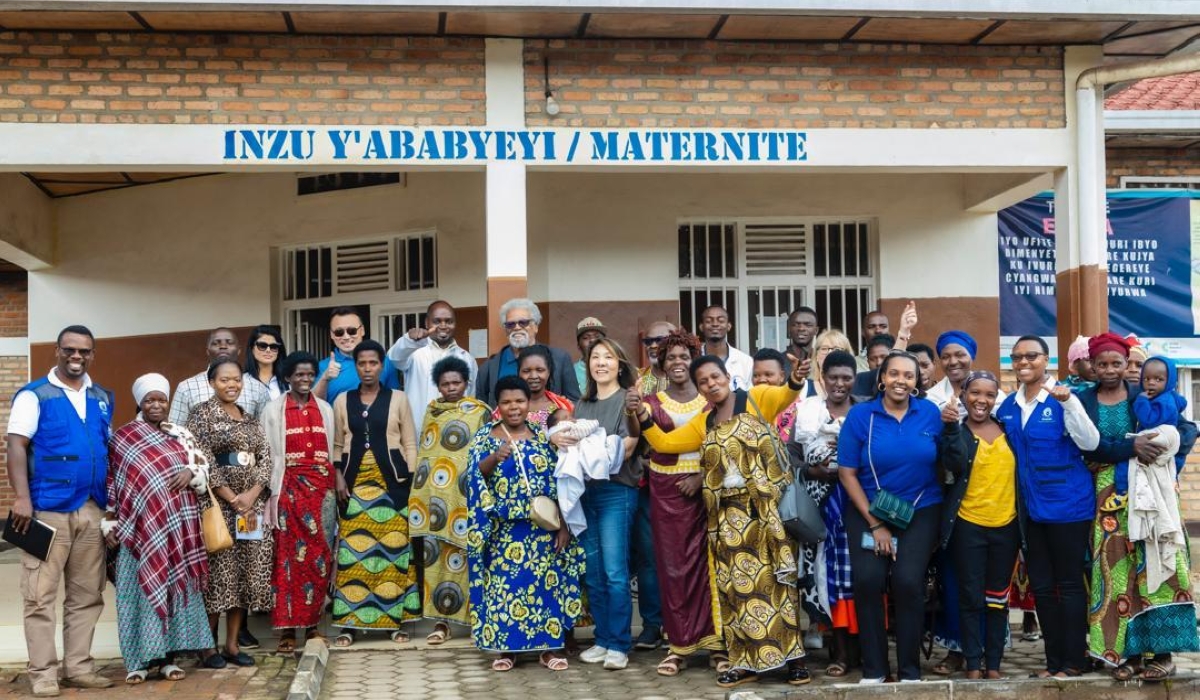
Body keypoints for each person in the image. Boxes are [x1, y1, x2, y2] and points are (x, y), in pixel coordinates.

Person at [633, 352, 812, 688]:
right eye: (703, 382)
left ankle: (794, 660)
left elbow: (785, 394)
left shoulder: (755, 398)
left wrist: (797, 378)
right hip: (727, 520)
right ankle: (744, 661)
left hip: (765, 515)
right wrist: (642, 414)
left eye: (715, 377)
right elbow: (666, 443)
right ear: (699, 389)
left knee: (776, 586)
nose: (711, 384)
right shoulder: (706, 421)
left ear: (727, 376)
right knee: (737, 591)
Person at [1075, 334, 1199, 681]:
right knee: (1115, 570)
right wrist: (1129, 448)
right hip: (1107, 499)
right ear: (1092, 366)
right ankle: (1125, 655)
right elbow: (1085, 447)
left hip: (1152, 496)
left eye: (1118, 363)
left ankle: (1163, 653)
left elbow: (1184, 431)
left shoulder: (1142, 394)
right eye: (1103, 364)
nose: (1111, 370)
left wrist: (1165, 452)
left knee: (1159, 566)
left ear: (1128, 363)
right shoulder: (1084, 401)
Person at [7, 325, 115, 696]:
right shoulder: (35, 395)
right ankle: (43, 674)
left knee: (87, 594)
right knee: (40, 595)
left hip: (91, 508)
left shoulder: (101, 397)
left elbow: (105, 448)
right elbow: (17, 445)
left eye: (84, 351)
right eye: (69, 349)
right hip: (45, 509)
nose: (76, 357)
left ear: (92, 354)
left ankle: (79, 667)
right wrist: (21, 497)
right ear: (57, 350)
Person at [995, 335, 1099, 680]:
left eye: (1031, 356)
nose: (1023, 362)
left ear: (1046, 359)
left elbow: (1091, 442)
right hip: (1030, 509)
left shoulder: (1065, 396)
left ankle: (1074, 660)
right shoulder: (1008, 406)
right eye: (1016, 357)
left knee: (1068, 583)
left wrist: (1069, 404)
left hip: (1068, 506)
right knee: (1041, 585)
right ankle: (1054, 661)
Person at [838, 350, 943, 684]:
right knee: (869, 581)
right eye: (894, 374)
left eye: (908, 375)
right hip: (869, 509)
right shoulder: (860, 416)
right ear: (881, 378)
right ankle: (875, 669)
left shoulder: (930, 413)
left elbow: (947, 460)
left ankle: (910, 670)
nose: (901, 380)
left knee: (907, 581)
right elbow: (847, 473)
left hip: (921, 509)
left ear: (917, 382)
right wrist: (877, 524)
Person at [466, 376, 584, 672]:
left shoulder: (543, 437)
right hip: (503, 530)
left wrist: (563, 525)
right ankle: (507, 650)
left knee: (545, 588)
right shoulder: (484, 436)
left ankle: (548, 650)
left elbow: (559, 482)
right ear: (498, 405)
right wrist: (495, 457)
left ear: (528, 404)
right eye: (506, 402)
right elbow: (470, 479)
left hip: (541, 529)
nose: (513, 407)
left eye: (519, 401)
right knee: (505, 590)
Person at [106, 374, 215, 684]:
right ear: (140, 402)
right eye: (149, 400)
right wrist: (110, 522)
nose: (156, 405)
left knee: (171, 593)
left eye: (161, 399)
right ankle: (137, 663)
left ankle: (168, 661)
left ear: (169, 402)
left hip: (177, 530)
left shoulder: (181, 434)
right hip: (139, 531)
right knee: (136, 595)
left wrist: (190, 471)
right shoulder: (123, 438)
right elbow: (112, 482)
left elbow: (204, 472)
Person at [630, 329, 723, 677]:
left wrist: (701, 478)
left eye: (685, 357)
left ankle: (716, 645)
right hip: (666, 492)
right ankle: (678, 645)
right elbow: (646, 443)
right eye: (672, 358)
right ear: (662, 364)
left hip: (707, 489)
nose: (679, 363)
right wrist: (633, 410)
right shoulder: (650, 403)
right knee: (672, 569)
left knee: (709, 566)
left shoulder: (712, 400)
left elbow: (720, 446)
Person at [330, 340, 420, 647]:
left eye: (373, 363)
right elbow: (339, 444)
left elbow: (410, 442)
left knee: (394, 552)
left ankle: (394, 622)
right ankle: (350, 624)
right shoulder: (343, 399)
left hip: (392, 486)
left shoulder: (398, 398)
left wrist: (408, 480)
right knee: (353, 555)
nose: (368, 368)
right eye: (362, 363)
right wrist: (338, 476)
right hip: (355, 486)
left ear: (382, 365)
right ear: (355, 367)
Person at [186, 358, 274, 668]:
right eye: (225, 379)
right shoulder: (201, 416)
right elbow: (201, 459)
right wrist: (231, 496)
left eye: (236, 379)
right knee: (219, 576)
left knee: (247, 574)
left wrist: (250, 496)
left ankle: (232, 645)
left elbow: (265, 458)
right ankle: (206, 648)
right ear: (212, 382)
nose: (231, 385)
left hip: (251, 508)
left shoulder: (250, 419)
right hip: (218, 507)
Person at [938, 371, 1021, 680]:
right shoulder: (957, 431)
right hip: (967, 526)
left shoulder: (1009, 431)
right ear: (963, 396)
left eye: (989, 395)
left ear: (995, 399)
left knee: (998, 599)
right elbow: (955, 464)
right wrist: (949, 428)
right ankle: (973, 663)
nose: (981, 400)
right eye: (975, 393)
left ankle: (994, 664)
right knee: (970, 597)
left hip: (1007, 527)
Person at [787, 350, 861, 679]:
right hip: (820, 509)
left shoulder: (865, 411)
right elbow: (791, 456)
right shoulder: (809, 412)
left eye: (846, 377)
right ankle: (839, 652)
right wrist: (810, 471)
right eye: (833, 377)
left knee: (860, 579)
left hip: (858, 506)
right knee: (827, 579)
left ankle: (864, 651)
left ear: (854, 379)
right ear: (823, 379)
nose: (839, 383)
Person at [571, 338, 643, 671]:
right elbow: (572, 449)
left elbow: (627, 448)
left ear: (620, 364)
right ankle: (602, 639)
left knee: (615, 571)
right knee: (594, 571)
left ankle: (619, 643)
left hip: (617, 491)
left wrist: (586, 448)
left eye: (608, 357)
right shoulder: (581, 406)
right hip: (586, 492)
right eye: (595, 357)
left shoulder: (625, 401)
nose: (601, 363)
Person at [409, 356, 491, 645]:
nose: (451, 387)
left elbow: (485, 451)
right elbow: (426, 455)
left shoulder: (480, 411)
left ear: (466, 383)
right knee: (435, 563)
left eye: (456, 382)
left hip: (465, 499)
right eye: (445, 384)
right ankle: (441, 624)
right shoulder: (431, 411)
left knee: (468, 561)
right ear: (438, 386)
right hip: (434, 501)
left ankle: (475, 623)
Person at [262, 352, 337, 652]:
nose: (305, 380)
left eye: (309, 375)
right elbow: (267, 454)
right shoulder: (273, 410)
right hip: (288, 488)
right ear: (288, 377)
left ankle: (313, 626)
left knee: (320, 558)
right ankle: (287, 631)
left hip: (322, 491)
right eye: (299, 375)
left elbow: (332, 450)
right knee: (287, 559)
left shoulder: (326, 409)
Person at [386, 300, 476, 431]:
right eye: (437, 321)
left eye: (449, 321)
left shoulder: (467, 359)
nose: (443, 326)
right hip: (419, 431)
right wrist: (410, 340)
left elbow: (471, 398)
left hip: (455, 434)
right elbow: (394, 358)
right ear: (427, 322)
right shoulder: (414, 351)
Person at [476, 298, 581, 405]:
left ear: (536, 326)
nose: (516, 328)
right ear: (505, 330)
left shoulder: (559, 359)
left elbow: (575, 402)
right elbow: (482, 410)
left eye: (523, 322)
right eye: (510, 324)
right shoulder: (489, 367)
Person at [170, 327, 270, 423]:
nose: (223, 346)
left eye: (229, 343)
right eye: (216, 343)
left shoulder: (258, 388)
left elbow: (265, 430)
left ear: (239, 350)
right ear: (208, 351)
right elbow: (175, 431)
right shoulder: (186, 387)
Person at [315, 307, 401, 403]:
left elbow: (395, 402)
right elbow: (313, 405)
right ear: (332, 334)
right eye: (339, 332)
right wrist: (325, 378)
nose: (346, 337)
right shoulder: (322, 367)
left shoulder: (384, 362)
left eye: (352, 331)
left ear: (362, 330)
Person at [498, 344, 574, 428]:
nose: (533, 376)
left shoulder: (563, 405)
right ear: (519, 373)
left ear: (549, 372)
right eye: (526, 371)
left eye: (540, 370)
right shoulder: (507, 407)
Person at [698, 305, 753, 390]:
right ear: (701, 327)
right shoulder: (693, 358)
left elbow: (750, 396)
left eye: (721, 321)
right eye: (709, 321)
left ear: (729, 326)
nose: (715, 324)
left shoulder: (745, 361)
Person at [243, 325, 287, 401]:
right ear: (252, 349)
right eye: (262, 346)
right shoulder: (242, 381)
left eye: (273, 346)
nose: (268, 350)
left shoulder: (288, 381)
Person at [637, 321, 676, 395]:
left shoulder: (690, 378)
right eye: (648, 341)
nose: (653, 346)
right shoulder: (637, 378)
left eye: (659, 340)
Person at [850, 334, 895, 400]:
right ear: (867, 361)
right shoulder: (858, 381)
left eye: (883, 357)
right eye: (873, 359)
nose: (878, 363)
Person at [573, 316, 607, 390]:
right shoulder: (571, 372)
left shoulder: (616, 368)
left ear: (606, 343)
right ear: (578, 346)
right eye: (586, 338)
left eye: (597, 336)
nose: (592, 340)